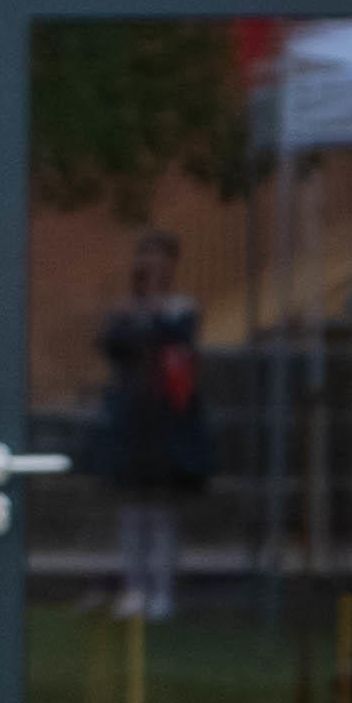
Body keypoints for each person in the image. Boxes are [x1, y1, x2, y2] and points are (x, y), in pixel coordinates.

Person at [91, 225, 209, 623]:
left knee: (161, 510)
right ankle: (135, 589)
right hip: (132, 420)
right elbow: (111, 344)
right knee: (132, 509)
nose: (152, 263)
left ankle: (162, 592)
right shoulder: (124, 311)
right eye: (147, 255)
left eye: (161, 256)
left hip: (167, 422)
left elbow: (178, 341)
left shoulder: (181, 309)